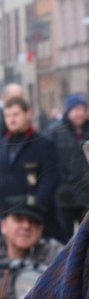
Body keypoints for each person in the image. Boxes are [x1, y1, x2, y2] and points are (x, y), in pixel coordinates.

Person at [0, 96, 62, 242]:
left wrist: (36, 205)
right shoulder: (0, 145)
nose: (11, 120)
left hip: (37, 218)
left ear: (28, 114)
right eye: (7, 116)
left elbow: (51, 178)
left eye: (15, 114)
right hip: (8, 217)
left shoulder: (44, 143)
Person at [50, 93, 89, 240]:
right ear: (68, 111)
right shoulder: (55, 131)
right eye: (76, 109)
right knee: (63, 239)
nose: (80, 113)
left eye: (83, 109)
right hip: (64, 196)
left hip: (86, 197)